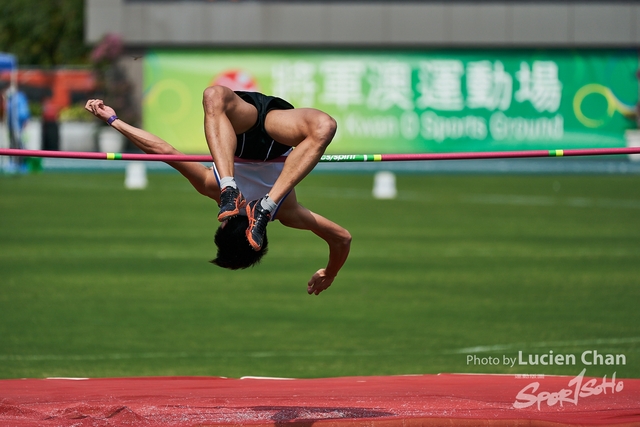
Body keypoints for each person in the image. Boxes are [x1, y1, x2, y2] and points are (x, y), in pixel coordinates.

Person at [85, 89, 351, 296]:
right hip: (275, 133)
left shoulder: (213, 187)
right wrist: (112, 119)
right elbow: (341, 238)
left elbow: (165, 153)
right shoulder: (288, 212)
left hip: (241, 128)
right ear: (224, 226)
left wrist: (114, 120)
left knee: (214, 96)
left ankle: (230, 187)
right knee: (323, 127)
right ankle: (265, 203)